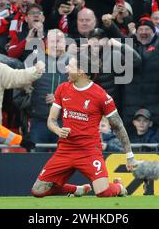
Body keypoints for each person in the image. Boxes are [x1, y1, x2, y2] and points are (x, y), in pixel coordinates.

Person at [31, 53, 136, 198]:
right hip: (65, 149)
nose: (66, 68)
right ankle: (76, 189)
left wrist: (129, 155)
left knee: (103, 193)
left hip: (89, 150)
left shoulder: (101, 96)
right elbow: (51, 120)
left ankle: (118, 187)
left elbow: (118, 126)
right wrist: (58, 130)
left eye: (70, 66)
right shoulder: (62, 89)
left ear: (81, 71)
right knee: (37, 191)